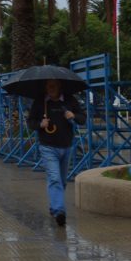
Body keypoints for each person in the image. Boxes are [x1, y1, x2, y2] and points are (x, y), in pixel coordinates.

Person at [27, 79, 85, 227]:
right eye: (49, 85)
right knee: (54, 178)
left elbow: (82, 118)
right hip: (48, 147)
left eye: (54, 85)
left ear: (60, 86)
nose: (51, 88)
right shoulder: (40, 102)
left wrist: (73, 116)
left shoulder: (69, 100)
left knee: (62, 181)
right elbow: (31, 121)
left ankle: (54, 207)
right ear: (45, 86)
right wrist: (40, 124)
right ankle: (60, 211)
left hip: (66, 146)